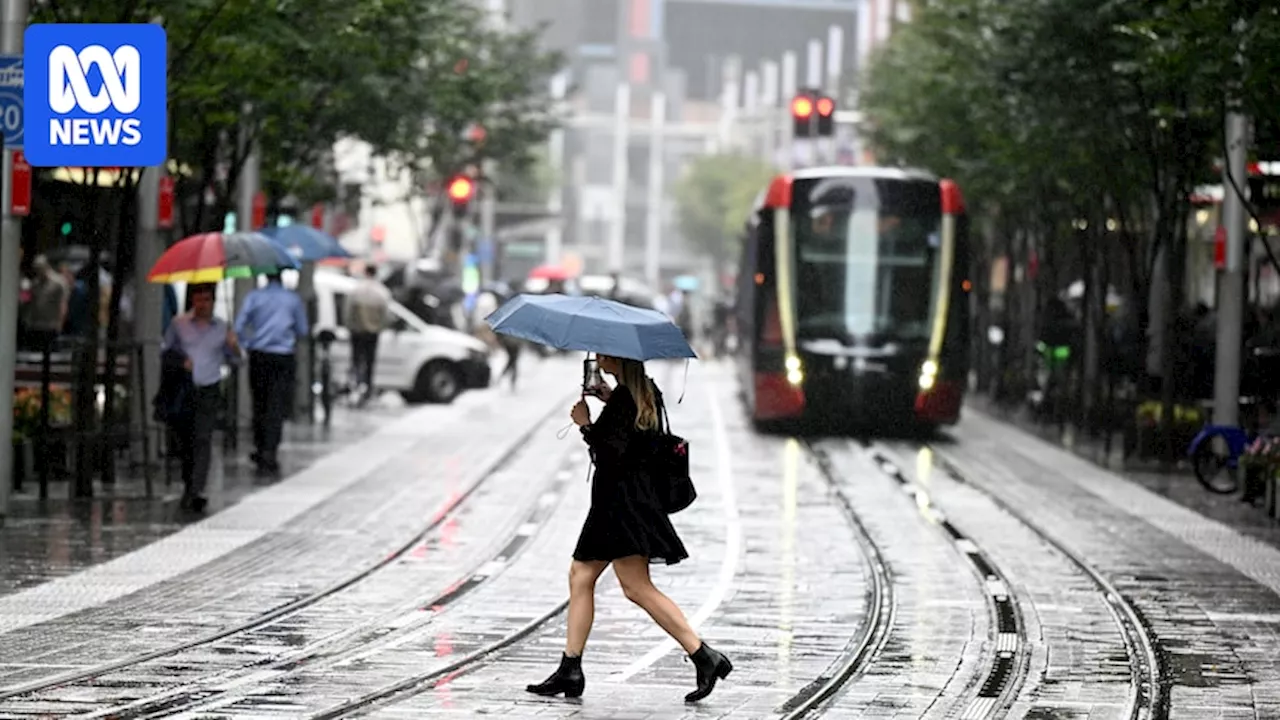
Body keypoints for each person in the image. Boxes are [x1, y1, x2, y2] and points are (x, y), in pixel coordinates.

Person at [526, 354, 732, 703]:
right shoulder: (641, 391)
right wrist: (608, 400)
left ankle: (704, 656)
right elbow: (635, 437)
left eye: (602, 352)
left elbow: (612, 456)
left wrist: (586, 424)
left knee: (635, 587)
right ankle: (570, 668)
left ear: (616, 357)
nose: (597, 357)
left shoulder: (626, 398)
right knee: (582, 576)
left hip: (621, 506)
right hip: (624, 503)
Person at [162, 283, 240, 512]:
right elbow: (166, 352)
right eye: (198, 300)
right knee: (186, 440)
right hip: (185, 389)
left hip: (209, 388)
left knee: (203, 438)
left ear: (213, 302)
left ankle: (195, 489)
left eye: (207, 300)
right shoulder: (178, 324)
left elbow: (236, 361)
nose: (202, 305)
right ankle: (189, 483)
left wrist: (233, 347)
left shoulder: (222, 328)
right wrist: (180, 362)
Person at [234, 272, 309, 475]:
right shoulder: (292, 299)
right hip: (283, 357)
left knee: (259, 402)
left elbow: (239, 325)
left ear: (265, 276)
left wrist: (247, 342)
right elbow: (302, 330)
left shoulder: (254, 297)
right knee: (277, 404)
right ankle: (270, 450)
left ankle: (259, 447)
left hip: (259, 355)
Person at [343, 265, 392, 405]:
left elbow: (347, 312)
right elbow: (386, 316)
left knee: (356, 360)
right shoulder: (382, 292)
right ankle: (367, 389)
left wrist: (349, 326)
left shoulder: (356, 290)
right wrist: (380, 327)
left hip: (357, 331)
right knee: (370, 362)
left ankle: (355, 386)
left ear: (365, 273)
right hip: (373, 333)